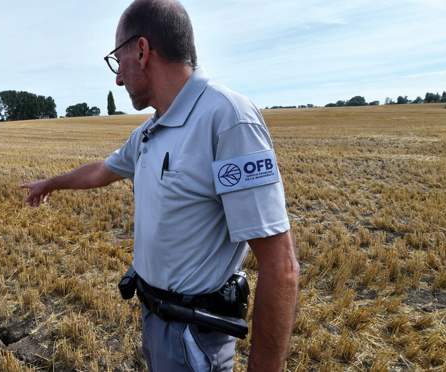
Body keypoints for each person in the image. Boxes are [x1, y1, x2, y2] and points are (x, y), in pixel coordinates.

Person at [21, 0, 299, 371]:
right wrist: (51, 183)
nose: (118, 78)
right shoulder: (150, 131)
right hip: (155, 318)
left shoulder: (227, 118)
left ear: (141, 51)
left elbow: (281, 266)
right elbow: (102, 170)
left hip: (196, 334)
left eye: (117, 62)